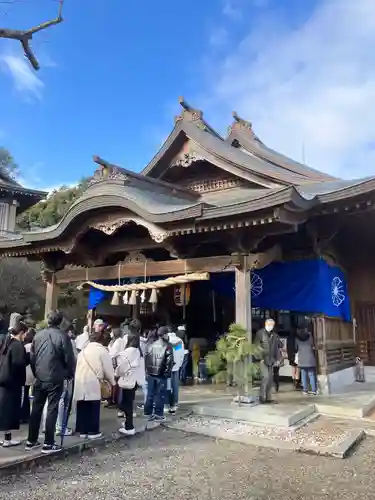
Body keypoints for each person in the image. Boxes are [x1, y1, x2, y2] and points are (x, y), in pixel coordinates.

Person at [26, 310, 76, 454]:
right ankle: (48, 442)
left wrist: (36, 373)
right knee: (52, 409)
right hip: (55, 376)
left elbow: (33, 357)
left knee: (36, 408)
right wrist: (69, 373)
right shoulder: (63, 336)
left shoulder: (38, 335)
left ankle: (31, 440)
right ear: (60, 322)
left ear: (48, 320)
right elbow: (69, 359)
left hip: (40, 376)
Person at [73, 328, 115, 439]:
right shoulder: (102, 351)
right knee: (93, 406)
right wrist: (112, 381)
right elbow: (108, 369)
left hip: (79, 380)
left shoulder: (82, 351)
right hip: (93, 381)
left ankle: (82, 431)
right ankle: (92, 431)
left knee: (82, 405)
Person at [0, 319, 28, 447]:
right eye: (25, 333)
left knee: (3, 410)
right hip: (12, 382)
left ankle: (5, 438)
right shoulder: (17, 345)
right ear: (21, 332)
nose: (26, 336)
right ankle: (7, 439)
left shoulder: (5, 341)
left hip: (3, 381)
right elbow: (18, 364)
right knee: (10, 412)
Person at [144, 326, 173, 421]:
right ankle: (158, 414)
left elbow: (147, 359)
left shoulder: (151, 345)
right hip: (161, 374)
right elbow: (169, 362)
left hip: (151, 373)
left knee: (150, 394)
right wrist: (166, 374)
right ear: (164, 334)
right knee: (160, 395)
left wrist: (147, 372)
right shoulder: (168, 345)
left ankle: (147, 412)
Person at [116, 332, 142, 436]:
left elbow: (121, 369)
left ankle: (129, 426)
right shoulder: (138, 351)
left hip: (126, 380)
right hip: (134, 381)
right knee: (129, 403)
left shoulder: (125, 353)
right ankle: (128, 423)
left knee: (123, 404)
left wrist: (116, 374)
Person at [256, 318, 280, 404]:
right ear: (265, 324)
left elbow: (276, 348)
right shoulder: (260, 333)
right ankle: (262, 397)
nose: (271, 326)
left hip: (271, 360)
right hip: (263, 359)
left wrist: (277, 359)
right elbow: (257, 346)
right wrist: (260, 358)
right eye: (269, 324)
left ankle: (268, 398)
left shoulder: (274, 335)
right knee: (265, 378)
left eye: (272, 325)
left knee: (270, 379)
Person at [295, 326, 318, 395]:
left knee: (303, 375)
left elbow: (296, 348)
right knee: (311, 375)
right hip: (310, 358)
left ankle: (305, 390)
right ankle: (314, 390)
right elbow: (313, 345)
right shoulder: (310, 336)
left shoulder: (297, 338)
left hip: (301, 358)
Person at [20, 327, 36, 423]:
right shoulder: (34, 346)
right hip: (33, 374)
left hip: (25, 373)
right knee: (33, 396)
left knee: (24, 395)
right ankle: (30, 415)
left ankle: (23, 415)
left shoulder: (24, 346)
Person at [168, 326, 185, 414]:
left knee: (167, 386)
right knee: (175, 386)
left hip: (167, 367)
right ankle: (175, 403)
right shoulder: (179, 341)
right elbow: (182, 354)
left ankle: (167, 404)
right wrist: (180, 364)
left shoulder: (166, 340)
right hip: (176, 367)